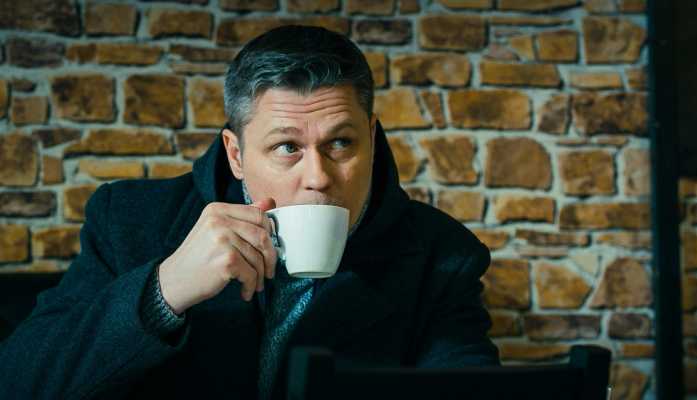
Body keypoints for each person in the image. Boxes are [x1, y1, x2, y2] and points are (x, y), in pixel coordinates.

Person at [0, 26, 498, 399]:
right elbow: (19, 382)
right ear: (236, 154)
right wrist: (161, 291)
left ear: (371, 138)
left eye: (341, 143)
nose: (319, 177)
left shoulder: (441, 255)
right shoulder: (129, 221)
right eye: (287, 147)